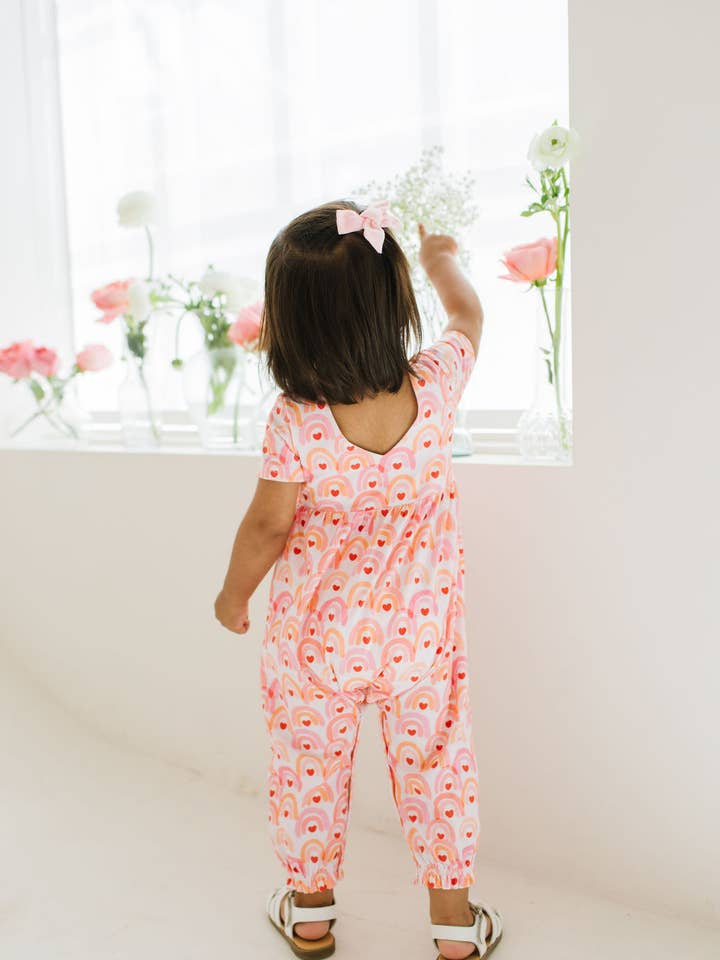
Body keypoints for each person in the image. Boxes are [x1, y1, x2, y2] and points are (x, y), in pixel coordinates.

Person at [215, 199, 503, 960]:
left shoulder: (296, 418)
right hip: (420, 638)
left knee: (308, 767)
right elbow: (470, 317)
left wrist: (232, 594)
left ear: (292, 323)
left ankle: (310, 917)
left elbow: (268, 526)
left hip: (316, 642)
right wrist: (442, 260)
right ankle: (452, 930)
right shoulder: (436, 387)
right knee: (437, 767)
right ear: (392, 304)